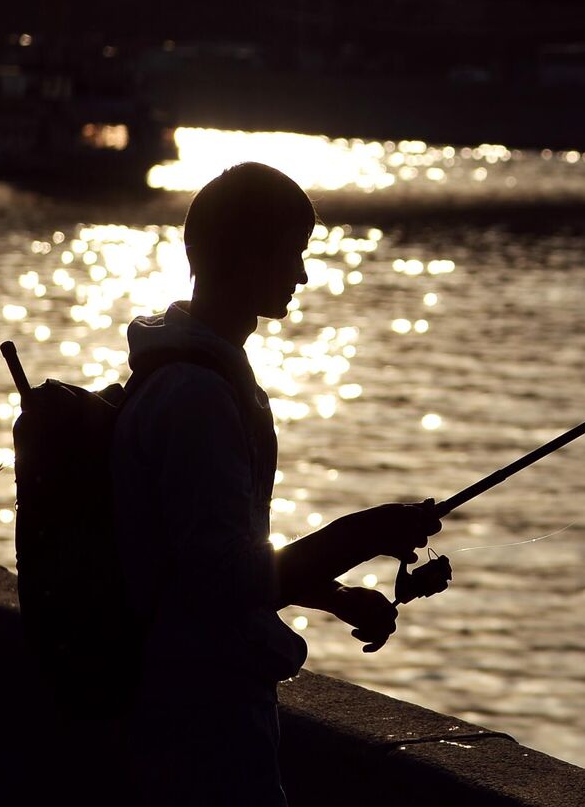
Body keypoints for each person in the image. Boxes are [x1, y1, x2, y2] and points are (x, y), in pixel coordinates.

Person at [111, 161, 441, 805]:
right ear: (245, 256)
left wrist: (335, 596)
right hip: (198, 717)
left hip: (185, 698)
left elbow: (206, 557)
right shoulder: (197, 395)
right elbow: (224, 582)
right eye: (292, 254)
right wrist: (366, 532)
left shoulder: (183, 366)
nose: (301, 274)